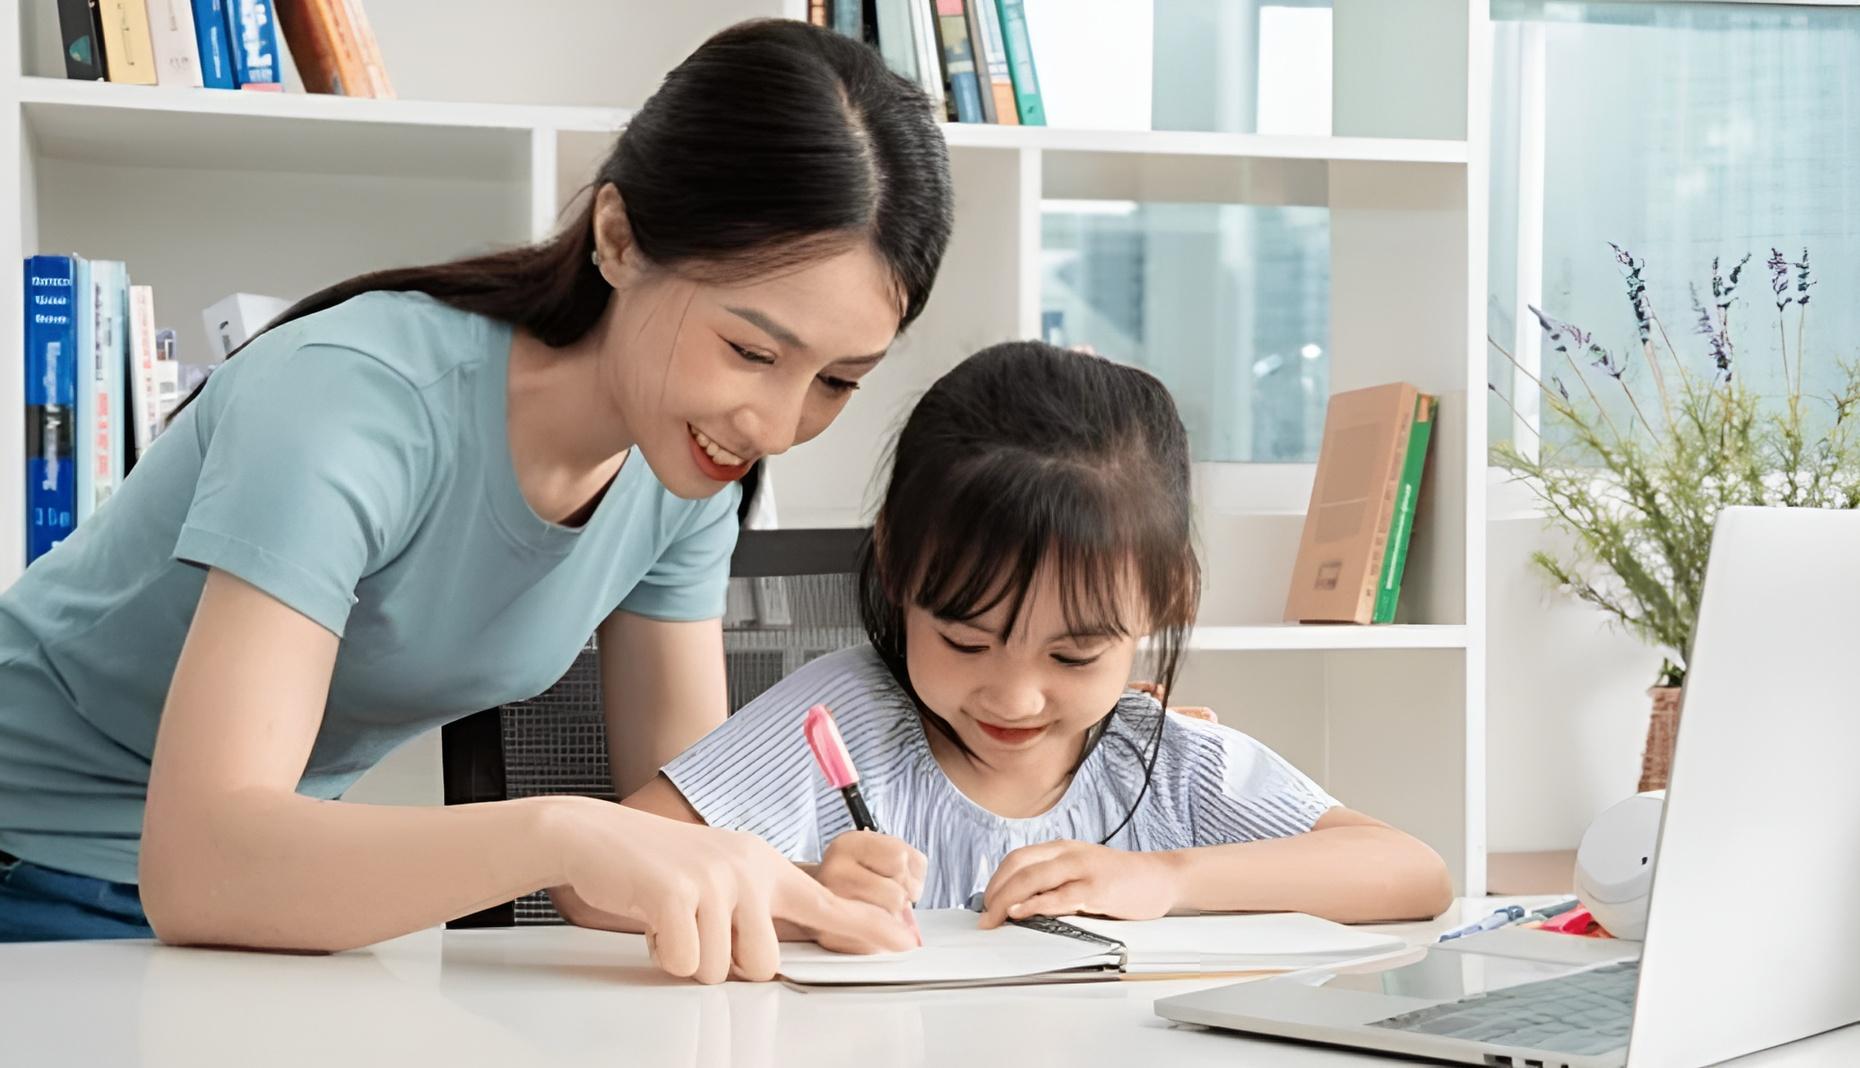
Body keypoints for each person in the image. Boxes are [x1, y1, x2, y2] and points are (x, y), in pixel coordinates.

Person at [0, 19, 953, 985]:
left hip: (251, 905)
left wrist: (789, 889)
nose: (777, 426)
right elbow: (202, 869)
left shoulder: (691, 470)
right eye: (752, 351)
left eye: (837, 381)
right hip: (40, 860)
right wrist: (560, 830)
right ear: (619, 240)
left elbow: (662, 835)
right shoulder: (355, 401)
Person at [620, 342, 1454, 929]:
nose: (1014, 696)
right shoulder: (840, 723)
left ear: (1168, 598)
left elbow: (1411, 873)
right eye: (967, 643)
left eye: (1074, 655)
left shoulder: (1155, 757)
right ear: (898, 569)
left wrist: (1166, 878)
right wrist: (801, 890)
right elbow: (601, 884)